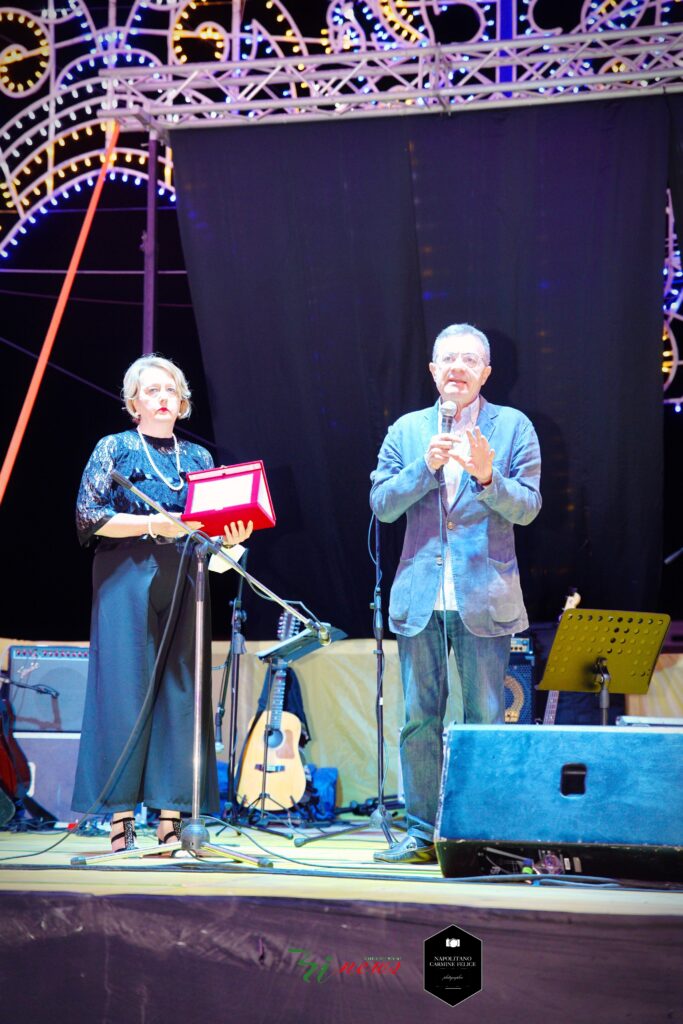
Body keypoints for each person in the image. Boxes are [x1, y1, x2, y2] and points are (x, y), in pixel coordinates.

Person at [370, 324, 541, 863]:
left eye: (470, 360)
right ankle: (422, 834)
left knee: (486, 717)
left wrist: (489, 478)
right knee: (420, 717)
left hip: (485, 596)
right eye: (448, 359)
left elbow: (529, 507)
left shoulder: (512, 428)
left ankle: (490, 835)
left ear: (485, 373)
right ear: (433, 371)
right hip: (420, 597)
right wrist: (426, 468)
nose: (457, 368)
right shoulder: (408, 429)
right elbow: (382, 504)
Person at [72, 354, 253, 852]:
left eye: (170, 389)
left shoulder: (198, 459)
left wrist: (232, 536)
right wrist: (158, 524)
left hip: (186, 574)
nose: (162, 397)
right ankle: (120, 818)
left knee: (181, 693)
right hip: (124, 574)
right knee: (124, 691)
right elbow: (89, 517)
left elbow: (209, 526)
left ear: (183, 401)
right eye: (151, 390)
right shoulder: (115, 448)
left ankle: (172, 816)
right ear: (134, 403)